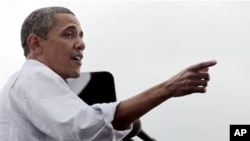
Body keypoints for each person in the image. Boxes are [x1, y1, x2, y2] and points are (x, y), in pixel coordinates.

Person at [0, 6, 217, 141]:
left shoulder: (22, 86)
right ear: (35, 43)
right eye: (68, 34)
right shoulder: (34, 78)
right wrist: (167, 88)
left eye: (81, 36)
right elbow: (84, 129)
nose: (81, 44)